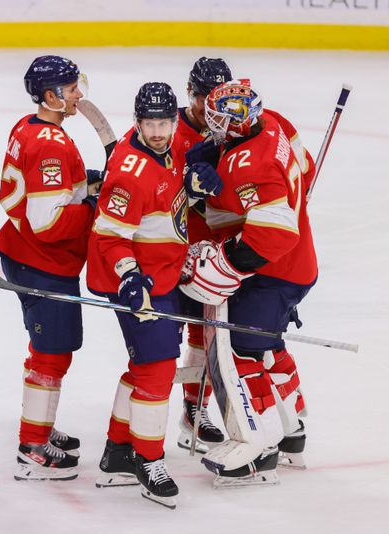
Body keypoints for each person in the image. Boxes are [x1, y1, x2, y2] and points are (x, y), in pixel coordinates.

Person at [180, 79, 317, 485]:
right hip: (298, 264)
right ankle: (293, 431)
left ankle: (255, 446)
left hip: (274, 272)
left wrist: (224, 264)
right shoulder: (273, 122)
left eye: (220, 120)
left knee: (237, 348)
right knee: (269, 345)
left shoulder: (252, 165)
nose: (213, 126)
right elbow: (304, 169)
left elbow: (274, 235)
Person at [0, 55, 101, 481]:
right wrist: (93, 205)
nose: (78, 95)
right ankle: (32, 448)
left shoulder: (30, 126)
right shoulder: (50, 143)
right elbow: (48, 221)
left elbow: (43, 193)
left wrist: (84, 184)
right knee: (52, 354)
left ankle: (40, 427)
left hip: (26, 253)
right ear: (51, 96)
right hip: (41, 259)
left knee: (49, 351)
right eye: (72, 89)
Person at [86, 82, 187, 509]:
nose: (159, 131)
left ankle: (117, 452)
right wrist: (131, 277)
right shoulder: (130, 172)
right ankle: (148, 459)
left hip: (163, 274)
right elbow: (110, 238)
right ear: (138, 123)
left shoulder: (172, 146)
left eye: (165, 122)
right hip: (136, 283)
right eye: (151, 124)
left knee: (145, 364)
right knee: (159, 368)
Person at [171, 56, 233, 453]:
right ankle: (142, 424)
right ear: (190, 95)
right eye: (204, 100)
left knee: (203, 332)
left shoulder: (231, 126)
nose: (211, 110)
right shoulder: (164, 128)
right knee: (161, 338)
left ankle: (194, 410)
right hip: (168, 249)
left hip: (208, 254)